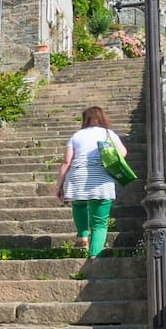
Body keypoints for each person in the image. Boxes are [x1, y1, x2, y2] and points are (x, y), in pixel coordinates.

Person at [54, 106, 128, 258]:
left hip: (77, 177)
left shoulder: (76, 136)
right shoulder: (108, 133)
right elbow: (123, 152)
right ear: (102, 118)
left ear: (85, 119)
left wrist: (59, 185)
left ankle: (82, 236)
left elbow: (66, 161)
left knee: (79, 204)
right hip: (101, 179)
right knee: (99, 223)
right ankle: (94, 256)